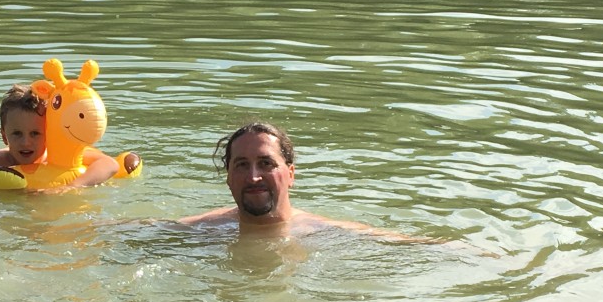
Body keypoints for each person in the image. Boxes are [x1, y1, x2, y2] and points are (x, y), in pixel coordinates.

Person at [180, 121, 422, 239]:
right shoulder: (201, 229)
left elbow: (412, 245)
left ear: (291, 174)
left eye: (266, 163)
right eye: (242, 165)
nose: (253, 177)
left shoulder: (325, 233)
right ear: (229, 178)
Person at [0, 84, 119, 188]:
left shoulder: (57, 155)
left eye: (35, 133)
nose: (26, 142)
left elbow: (110, 164)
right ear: (4, 136)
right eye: (17, 133)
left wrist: (73, 185)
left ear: (49, 133)